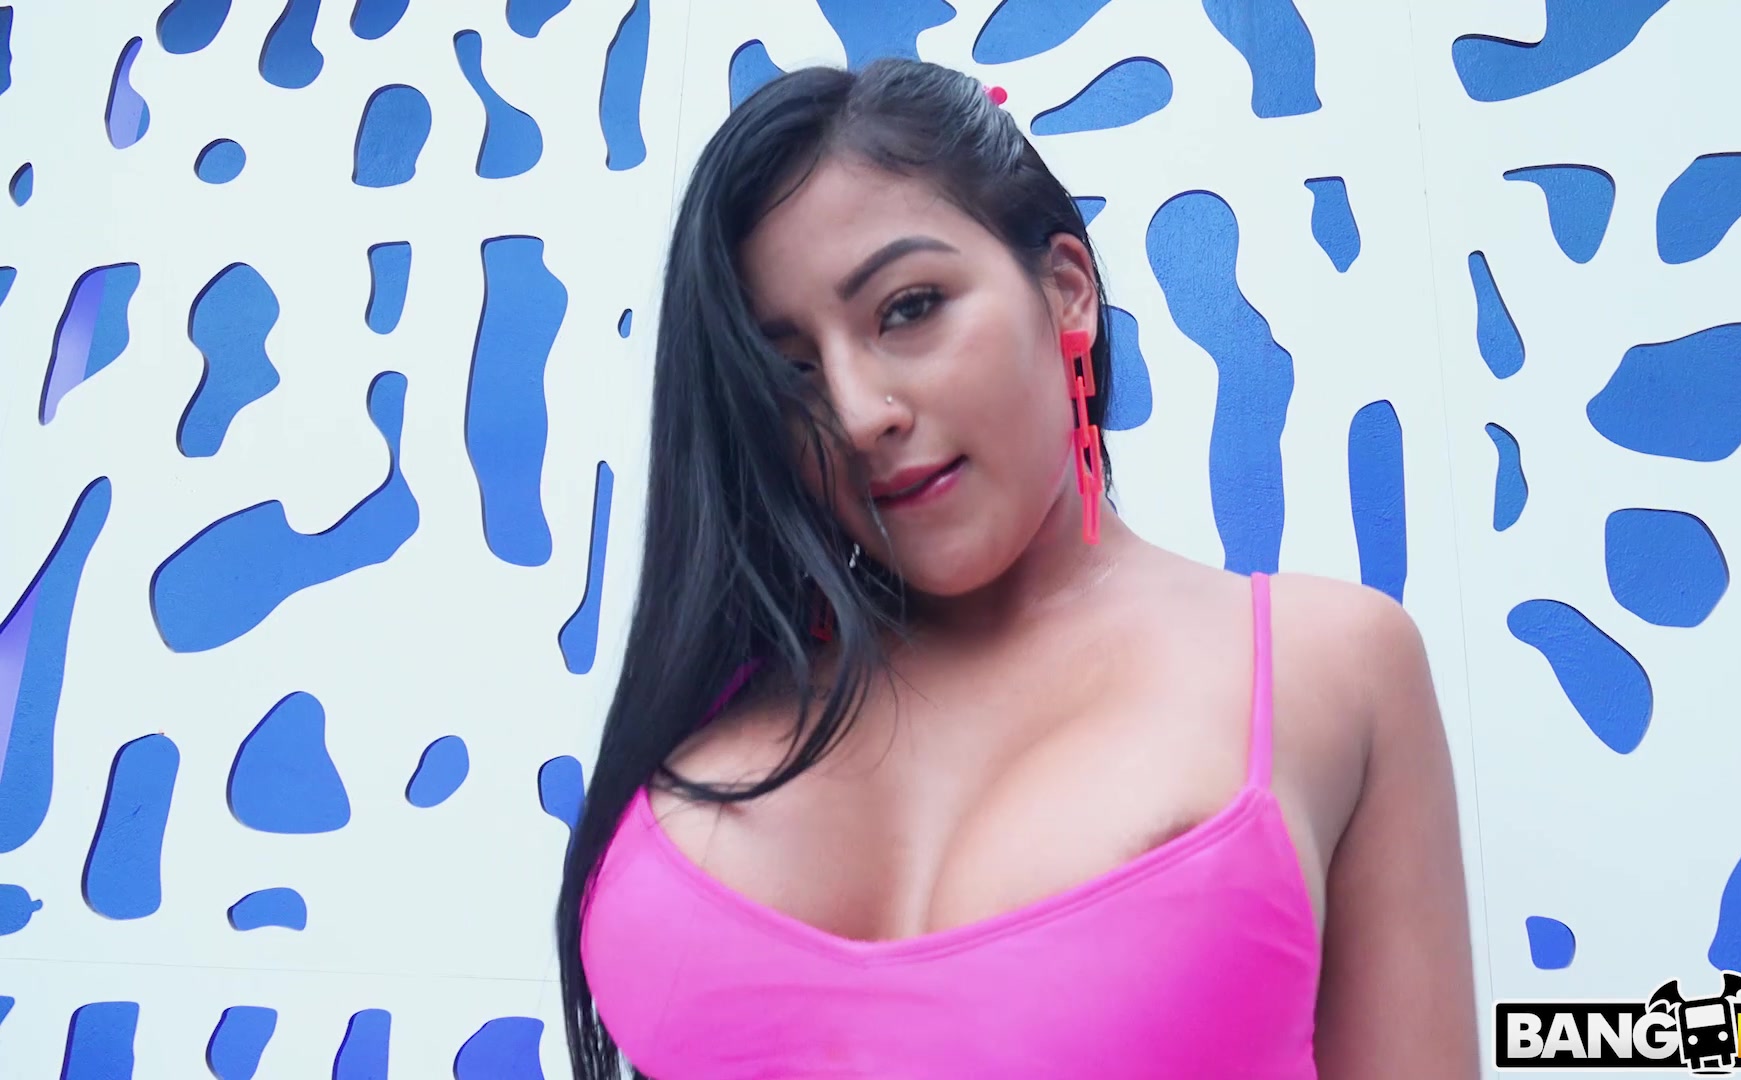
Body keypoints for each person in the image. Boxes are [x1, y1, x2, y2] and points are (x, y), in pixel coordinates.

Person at [556, 57, 1478, 1079]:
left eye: (908, 308)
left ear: (1067, 290)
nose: (858, 414)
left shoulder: (1327, 669)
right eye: (790, 369)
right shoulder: (726, 694)